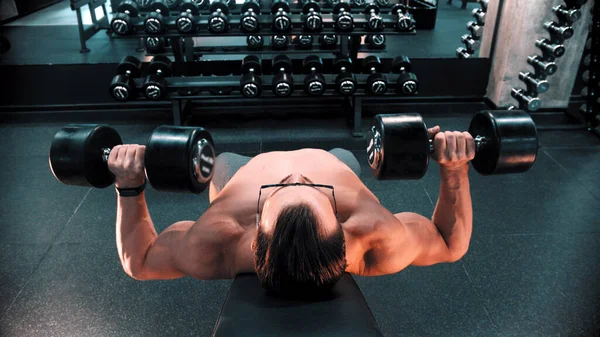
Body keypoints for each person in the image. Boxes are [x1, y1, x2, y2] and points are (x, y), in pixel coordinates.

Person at [108, 126, 475, 298]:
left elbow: (139, 261)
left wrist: (129, 184)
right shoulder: (375, 237)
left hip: (239, 173)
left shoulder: (220, 239)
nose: (299, 175)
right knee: (343, 157)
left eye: (283, 187)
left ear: (254, 232)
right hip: (336, 161)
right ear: (343, 227)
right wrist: (456, 169)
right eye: (314, 188)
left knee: (220, 163)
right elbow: (448, 242)